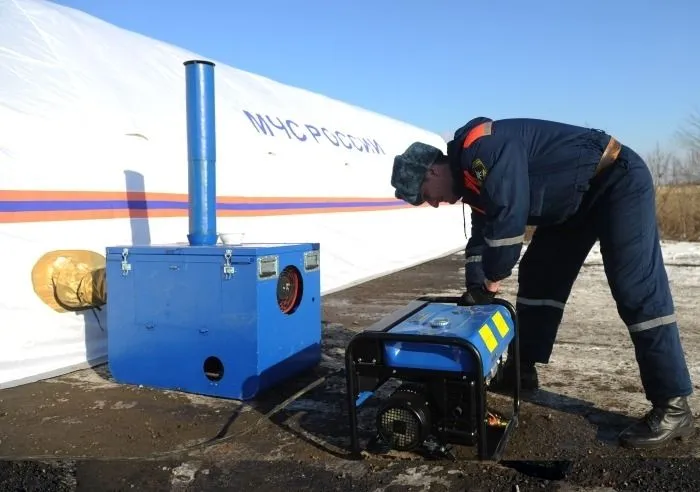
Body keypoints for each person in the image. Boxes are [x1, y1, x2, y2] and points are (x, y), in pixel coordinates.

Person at [389, 116, 695, 449]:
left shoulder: (480, 150)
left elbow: (509, 211)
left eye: (425, 195)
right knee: (538, 274)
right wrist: (475, 288)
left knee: (636, 288)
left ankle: (673, 404)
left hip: (613, 180)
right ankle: (522, 369)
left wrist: (492, 280)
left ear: (432, 171)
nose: (433, 203)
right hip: (571, 205)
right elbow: (483, 236)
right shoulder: (472, 182)